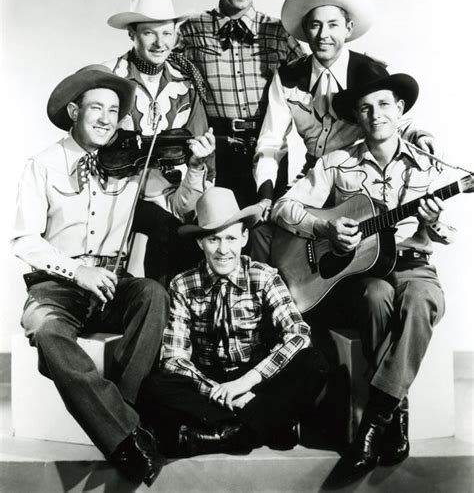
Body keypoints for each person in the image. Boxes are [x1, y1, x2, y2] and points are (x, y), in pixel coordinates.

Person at [11, 65, 215, 486]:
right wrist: (77, 271)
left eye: (114, 110)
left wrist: (195, 169)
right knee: (47, 333)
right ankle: (128, 438)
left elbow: (178, 209)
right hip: (56, 287)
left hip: (111, 283)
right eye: (96, 109)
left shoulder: (133, 164)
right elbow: (23, 240)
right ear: (73, 110)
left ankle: (121, 414)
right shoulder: (43, 164)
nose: (107, 119)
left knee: (153, 295)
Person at [271, 62, 456, 485]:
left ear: (401, 109)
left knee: (424, 299)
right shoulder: (337, 161)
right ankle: (393, 414)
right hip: (365, 271)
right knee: (375, 297)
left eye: (384, 105)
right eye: (366, 109)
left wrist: (433, 224)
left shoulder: (425, 164)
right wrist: (324, 227)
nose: (376, 115)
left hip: (411, 264)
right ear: (356, 117)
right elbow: (285, 207)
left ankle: (378, 418)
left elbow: (443, 232)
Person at [138, 187, 328, 457]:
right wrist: (222, 393)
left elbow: (298, 333)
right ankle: (267, 423)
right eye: (214, 240)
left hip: (256, 377)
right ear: (199, 243)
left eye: (230, 238)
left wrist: (246, 383)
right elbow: (173, 358)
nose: (223, 250)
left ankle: (225, 435)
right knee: (152, 388)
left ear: (244, 238)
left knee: (314, 362)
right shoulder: (182, 284)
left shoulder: (264, 276)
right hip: (210, 380)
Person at [254, 0, 435, 205]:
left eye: (333, 24)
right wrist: (265, 196)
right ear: (305, 30)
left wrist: (421, 136)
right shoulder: (287, 77)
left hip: (359, 179)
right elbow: (271, 141)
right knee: (280, 229)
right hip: (314, 177)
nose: (323, 35)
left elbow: (390, 117)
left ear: (348, 29)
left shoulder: (368, 71)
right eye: (315, 25)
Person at [178, 0, 305, 210]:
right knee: (218, 230)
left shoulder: (277, 31)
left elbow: (315, 82)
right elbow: (158, 69)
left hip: (268, 149)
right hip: (216, 150)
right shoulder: (192, 30)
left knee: (266, 231)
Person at [104, 0, 212, 283]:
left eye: (166, 33)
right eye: (149, 33)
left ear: (176, 34)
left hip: (173, 195)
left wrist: (199, 163)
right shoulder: (109, 77)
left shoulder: (187, 83)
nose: (159, 42)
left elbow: (199, 150)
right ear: (132, 34)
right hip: (118, 194)